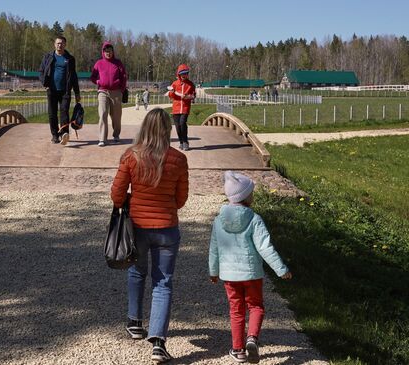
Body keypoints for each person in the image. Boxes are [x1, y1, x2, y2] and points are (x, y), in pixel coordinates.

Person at [111, 108, 189, 364]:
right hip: (167, 227)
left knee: (136, 272)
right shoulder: (178, 159)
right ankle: (158, 343)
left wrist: (134, 201)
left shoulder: (131, 156)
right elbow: (180, 200)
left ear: (145, 128)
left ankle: (134, 322)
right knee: (163, 282)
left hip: (138, 227)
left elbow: (117, 196)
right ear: (168, 129)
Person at [208, 171, 292, 364]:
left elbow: (214, 249)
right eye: (251, 193)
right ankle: (252, 338)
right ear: (245, 197)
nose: (253, 196)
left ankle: (238, 350)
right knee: (255, 306)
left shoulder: (219, 220)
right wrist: (281, 269)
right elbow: (265, 247)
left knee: (236, 310)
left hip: (230, 276)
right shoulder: (254, 219)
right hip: (252, 274)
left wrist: (213, 271)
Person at [39, 35, 81, 145]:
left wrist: (77, 92)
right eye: (58, 43)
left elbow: (74, 76)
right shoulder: (48, 57)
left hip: (65, 91)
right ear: (54, 44)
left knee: (64, 112)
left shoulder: (70, 59)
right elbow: (41, 72)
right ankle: (54, 135)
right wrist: (45, 84)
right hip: (51, 90)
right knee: (52, 114)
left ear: (65, 44)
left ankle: (64, 134)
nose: (59, 45)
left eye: (62, 43)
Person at [90, 41, 128, 147]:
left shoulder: (118, 63)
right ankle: (102, 138)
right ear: (103, 52)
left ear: (113, 52)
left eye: (110, 51)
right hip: (102, 91)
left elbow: (124, 77)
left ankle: (116, 135)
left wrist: (121, 89)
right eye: (106, 51)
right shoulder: (99, 63)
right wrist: (98, 82)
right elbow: (93, 77)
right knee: (102, 114)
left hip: (116, 92)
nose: (108, 53)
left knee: (116, 116)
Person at [167, 64, 196, 151]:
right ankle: (181, 142)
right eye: (182, 74)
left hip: (185, 108)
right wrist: (172, 91)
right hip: (176, 108)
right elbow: (170, 96)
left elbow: (193, 95)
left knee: (182, 123)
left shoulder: (190, 85)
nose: (184, 75)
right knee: (177, 126)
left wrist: (189, 97)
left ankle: (185, 142)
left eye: (186, 73)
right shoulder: (175, 84)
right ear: (179, 74)